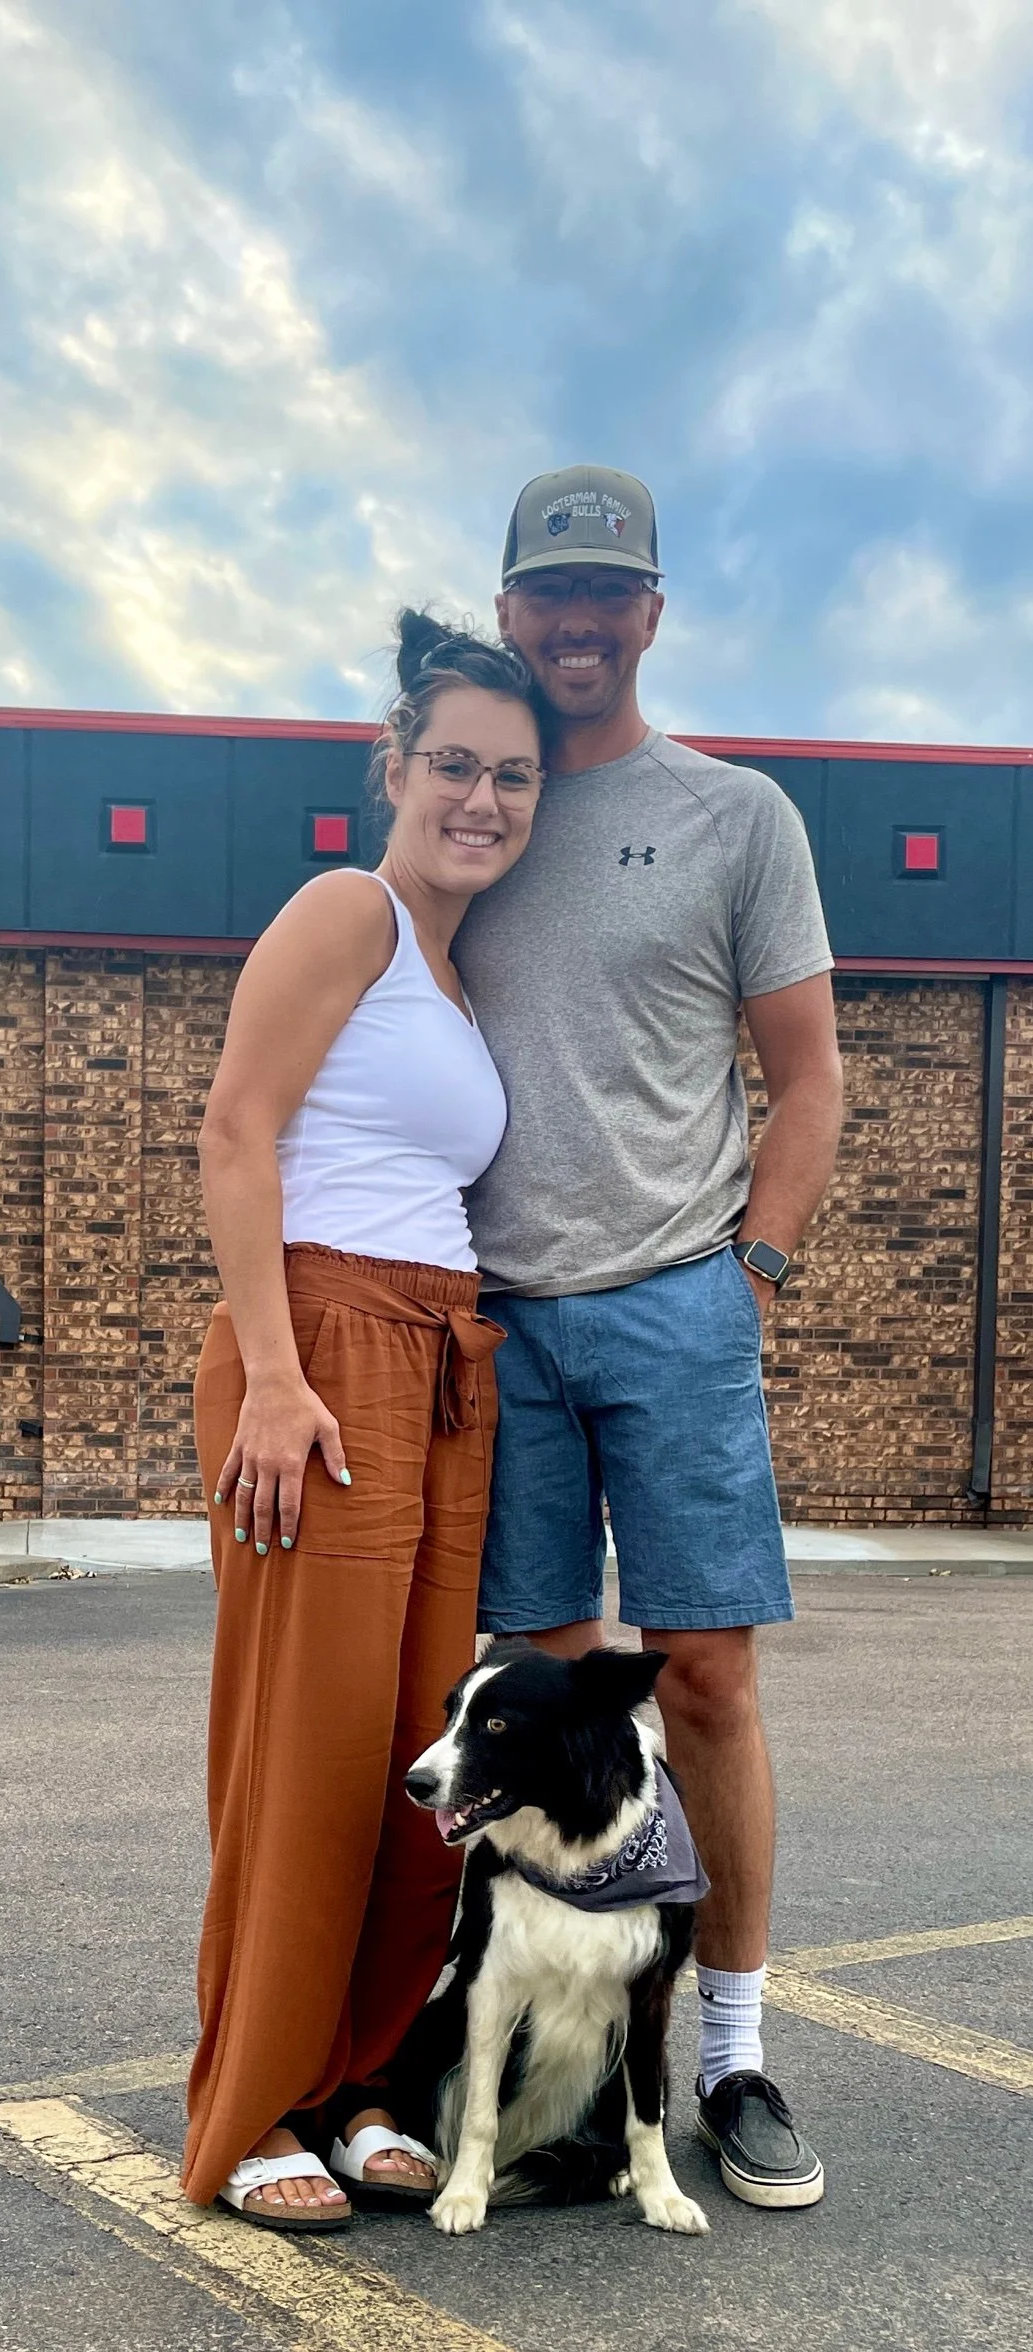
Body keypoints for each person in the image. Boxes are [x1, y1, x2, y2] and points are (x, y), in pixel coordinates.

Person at [450, 465, 844, 2210]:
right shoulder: (474, 808)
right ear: (508, 608)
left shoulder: (734, 817)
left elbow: (808, 1078)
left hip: (678, 1304)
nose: (578, 622)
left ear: (652, 613)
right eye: (550, 592)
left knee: (704, 1685)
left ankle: (734, 2057)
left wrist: (747, 1273)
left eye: (608, 593)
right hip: (501, 1323)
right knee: (534, 1697)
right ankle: (550, 2071)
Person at [181, 614, 540, 2227]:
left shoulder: (459, 980)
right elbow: (235, 1130)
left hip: (442, 1359)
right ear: (391, 768)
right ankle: (255, 2104)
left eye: (512, 776)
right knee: (307, 1748)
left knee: (423, 1760)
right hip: (320, 1346)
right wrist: (272, 1373)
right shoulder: (349, 911)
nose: (481, 799)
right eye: (453, 764)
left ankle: (362, 2084)